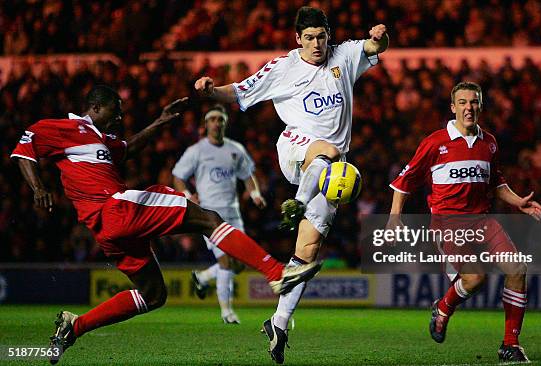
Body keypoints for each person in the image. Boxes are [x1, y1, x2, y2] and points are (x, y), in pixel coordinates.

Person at [10, 85, 321, 364]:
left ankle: (74, 327)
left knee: (154, 295)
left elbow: (128, 150)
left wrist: (159, 122)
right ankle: (276, 273)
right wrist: (37, 187)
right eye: (115, 112)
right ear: (95, 108)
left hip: (107, 230)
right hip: (116, 208)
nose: (119, 118)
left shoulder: (101, 141)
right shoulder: (68, 128)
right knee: (207, 219)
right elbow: (26, 146)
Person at [194, 6, 388, 364]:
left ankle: (278, 322)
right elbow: (239, 91)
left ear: (329, 35)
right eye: (310, 38)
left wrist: (378, 38)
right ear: (298, 39)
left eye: (322, 36)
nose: (317, 44)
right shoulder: (283, 67)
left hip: (330, 171)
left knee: (307, 251)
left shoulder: (343, 55)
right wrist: (209, 92)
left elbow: (376, 49)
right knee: (326, 150)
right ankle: (296, 201)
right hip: (295, 149)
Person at [388, 81, 541, 363]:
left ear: (480, 106)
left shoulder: (490, 143)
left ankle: (510, 344)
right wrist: (394, 217)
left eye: (473, 102)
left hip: (483, 221)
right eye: (462, 102)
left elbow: (496, 182)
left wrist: (518, 200)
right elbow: (405, 181)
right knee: (475, 279)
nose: (468, 108)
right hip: (448, 225)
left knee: (518, 268)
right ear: (453, 107)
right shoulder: (435, 142)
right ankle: (444, 307)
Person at [173, 104, 267, 324]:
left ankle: (203, 276)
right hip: (209, 215)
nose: (217, 123)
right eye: (213, 119)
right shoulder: (196, 151)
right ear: (206, 124)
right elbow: (178, 176)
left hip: (233, 212)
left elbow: (247, 176)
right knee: (226, 261)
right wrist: (187, 194)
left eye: (220, 119)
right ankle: (226, 312)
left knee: (240, 262)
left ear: (225, 123)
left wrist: (255, 195)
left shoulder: (235, 149)